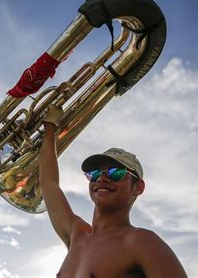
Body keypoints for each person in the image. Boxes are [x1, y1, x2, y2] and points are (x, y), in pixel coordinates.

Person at [39, 105, 187, 277]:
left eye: (116, 173)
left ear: (138, 187)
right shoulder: (76, 234)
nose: (102, 178)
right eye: (94, 173)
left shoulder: (142, 242)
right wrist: (49, 125)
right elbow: (48, 183)